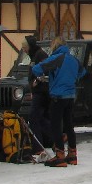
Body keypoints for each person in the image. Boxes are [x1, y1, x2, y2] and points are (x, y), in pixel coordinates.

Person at [31, 37, 86, 167]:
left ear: (55, 46)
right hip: (70, 96)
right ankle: (72, 155)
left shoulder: (57, 58)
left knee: (56, 125)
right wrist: (71, 79)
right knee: (69, 125)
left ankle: (59, 156)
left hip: (58, 96)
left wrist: (50, 76)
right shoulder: (73, 59)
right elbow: (82, 72)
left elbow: (37, 69)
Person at [22, 35, 51, 162]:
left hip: (42, 92)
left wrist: (37, 81)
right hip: (37, 92)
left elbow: (47, 71)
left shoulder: (40, 55)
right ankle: (57, 137)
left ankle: (38, 147)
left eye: (24, 47)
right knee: (40, 118)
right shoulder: (33, 56)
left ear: (30, 46)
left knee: (34, 117)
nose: (23, 50)